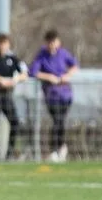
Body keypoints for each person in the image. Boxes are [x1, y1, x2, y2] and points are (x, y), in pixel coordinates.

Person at [29, 29, 78, 163]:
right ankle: (57, 149)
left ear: (58, 42)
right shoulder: (42, 55)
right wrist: (49, 77)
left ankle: (60, 148)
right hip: (51, 95)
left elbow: (74, 65)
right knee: (57, 120)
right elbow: (33, 72)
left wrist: (66, 76)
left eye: (54, 42)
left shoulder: (63, 53)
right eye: (50, 42)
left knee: (61, 120)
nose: (52, 45)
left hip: (65, 94)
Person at [0, 33, 27, 160]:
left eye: (4, 43)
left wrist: (16, 79)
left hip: (7, 96)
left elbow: (24, 73)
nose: (2, 46)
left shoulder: (13, 58)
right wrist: (0, 80)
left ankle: (9, 154)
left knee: (15, 122)